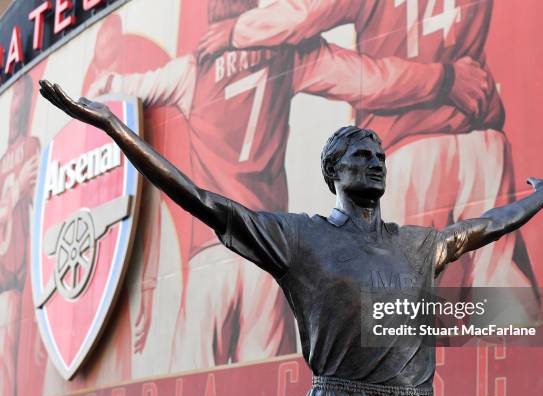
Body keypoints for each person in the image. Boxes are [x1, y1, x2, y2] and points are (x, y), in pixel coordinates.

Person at [38, 81, 543, 396]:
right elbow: (203, 201)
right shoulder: (299, 238)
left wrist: (538, 196)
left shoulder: (418, 245)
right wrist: (113, 127)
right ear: (334, 173)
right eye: (360, 155)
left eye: (379, 156)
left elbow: (485, 226)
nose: (375, 162)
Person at [86, 0, 478, 371]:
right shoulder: (288, 53)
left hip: (209, 250)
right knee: (263, 378)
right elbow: (370, 79)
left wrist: (102, 74)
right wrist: (444, 78)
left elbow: (120, 91)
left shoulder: (191, 69)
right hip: (265, 253)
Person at [197, 0, 539, 292]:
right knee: (501, 289)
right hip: (479, 136)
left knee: (396, 300)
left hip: (405, 148)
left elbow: (303, 15)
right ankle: (526, 369)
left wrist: (234, 31)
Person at [0, 76, 40, 396]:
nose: (16, 107)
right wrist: (14, 192)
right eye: (13, 98)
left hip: (13, 283)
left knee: (8, 361)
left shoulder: (31, 148)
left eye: (21, 99)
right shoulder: (4, 165)